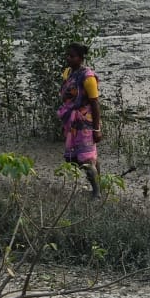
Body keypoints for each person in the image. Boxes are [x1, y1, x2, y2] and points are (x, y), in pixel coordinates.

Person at [57, 42, 102, 194]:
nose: (68, 58)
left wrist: (96, 129)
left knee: (87, 157)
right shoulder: (67, 72)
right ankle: (98, 185)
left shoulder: (88, 77)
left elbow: (95, 104)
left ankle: (97, 193)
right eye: (67, 55)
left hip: (85, 123)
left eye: (72, 56)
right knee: (74, 157)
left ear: (81, 58)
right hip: (72, 122)